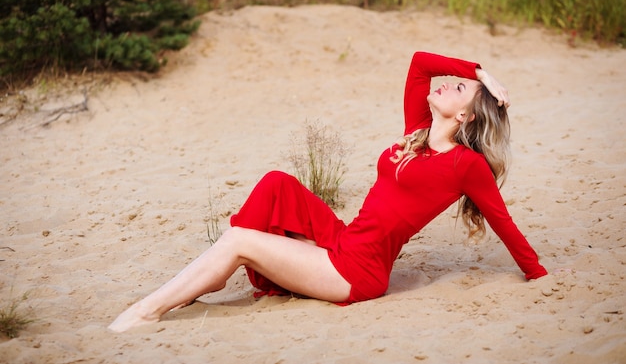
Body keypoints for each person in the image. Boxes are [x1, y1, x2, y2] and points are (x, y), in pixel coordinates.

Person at [108, 51, 548, 333]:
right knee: (277, 182)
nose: (448, 82)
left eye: (460, 88)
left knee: (240, 237)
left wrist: (538, 275)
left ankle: (153, 307)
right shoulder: (417, 133)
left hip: (357, 271)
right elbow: (418, 62)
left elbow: (503, 222)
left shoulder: (465, 165)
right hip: (343, 239)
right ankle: (237, 259)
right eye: (453, 79)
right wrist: (479, 71)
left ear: (469, 116)